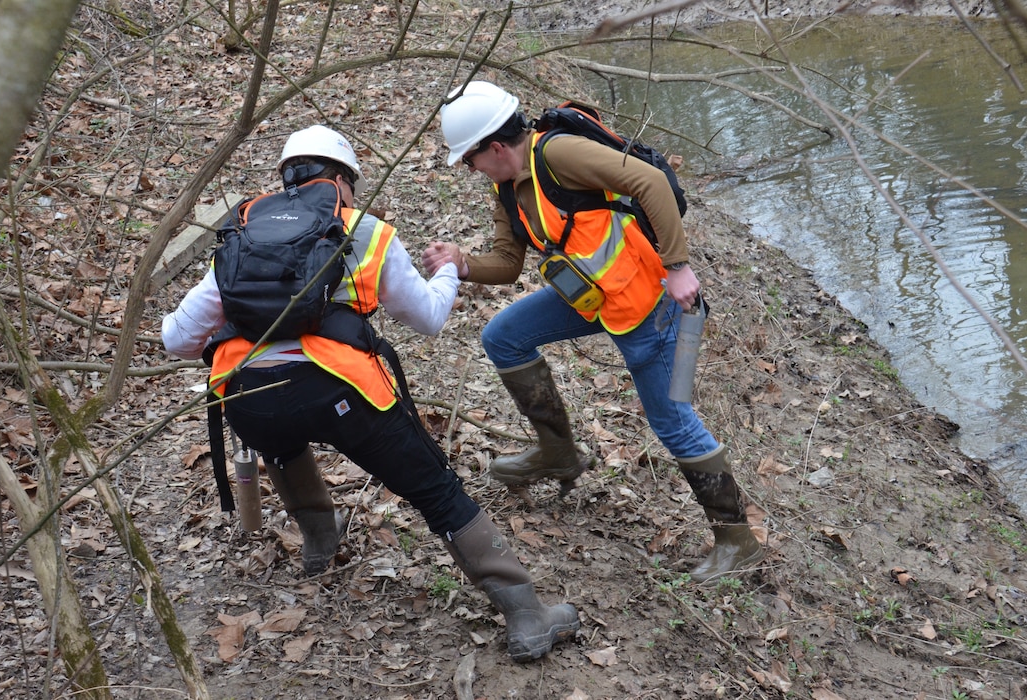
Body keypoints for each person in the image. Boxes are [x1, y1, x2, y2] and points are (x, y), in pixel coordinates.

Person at [161, 124, 579, 662]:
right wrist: (450, 270)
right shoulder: (365, 231)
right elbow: (427, 317)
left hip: (247, 397)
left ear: (286, 176)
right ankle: (526, 614)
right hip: (345, 391)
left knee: (281, 436)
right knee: (435, 490)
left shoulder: (242, 234)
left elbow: (177, 339)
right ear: (342, 180)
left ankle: (318, 544)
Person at [422, 82, 764, 585]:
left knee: (672, 422)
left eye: (469, 160)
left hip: (650, 303)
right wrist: (463, 264)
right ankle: (559, 452)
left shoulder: (559, 153)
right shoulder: (508, 187)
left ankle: (737, 540)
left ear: (494, 147)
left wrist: (679, 266)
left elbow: (650, 182)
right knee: (503, 336)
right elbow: (508, 263)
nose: (470, 171)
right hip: (594, 298)